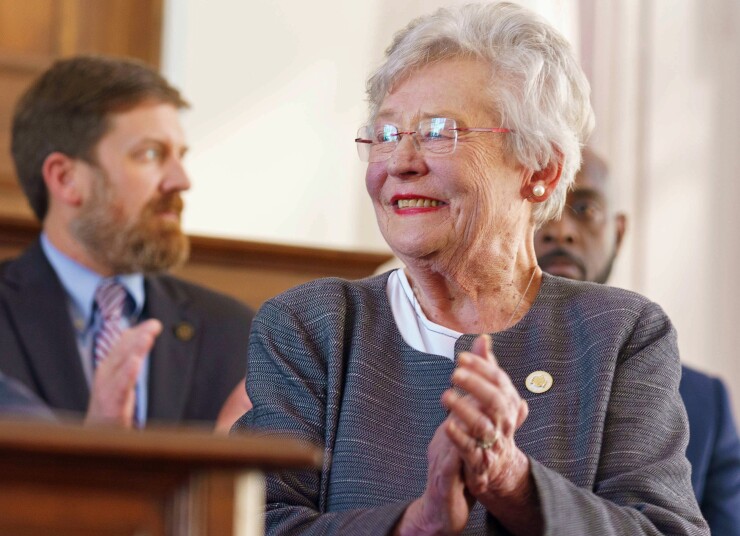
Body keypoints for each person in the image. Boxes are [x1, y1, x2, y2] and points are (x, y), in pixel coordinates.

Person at [236, 3, 707, 534]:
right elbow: (251, 522)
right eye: (387, 135)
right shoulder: (313, 325)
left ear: (540, 171)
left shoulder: (620, 332)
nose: (399, 162)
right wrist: (417, 524)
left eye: (439, 131)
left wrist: (513, 483)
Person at [0, 55, 253, 429]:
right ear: (66, 178)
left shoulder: (235, 332)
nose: (181, 180)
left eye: (180, 156)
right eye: (150, 154)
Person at [535, 147, 740, 534]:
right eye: (543, 207)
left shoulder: (704, 403)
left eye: (585, 209)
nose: (559, 228)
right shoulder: (465, 368)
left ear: (619, 231)